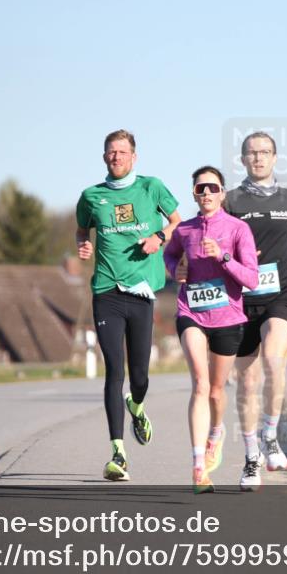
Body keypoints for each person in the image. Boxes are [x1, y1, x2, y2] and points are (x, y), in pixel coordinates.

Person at [77, 129, 182, 482]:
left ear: (134, 157)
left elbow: (178, 222)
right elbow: (82, 229)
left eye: (122, 152)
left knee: (140, 376)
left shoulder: (152, 188)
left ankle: (137, 405)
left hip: (141, 293)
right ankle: (118, 454)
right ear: (104, 156)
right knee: (115, 370)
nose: (116, 157)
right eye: (110, 152)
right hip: (106, 292)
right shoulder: (92, 196)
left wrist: (158, 238)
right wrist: (84, 245)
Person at [164, 166, 259, 493]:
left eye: (212, 188)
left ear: (223, 193)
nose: (206, 193)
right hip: (190, 310)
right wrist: (175, 270)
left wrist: (223, 258)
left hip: (228, 317)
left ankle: (216, 432)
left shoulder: (238, 229)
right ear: (194, 193)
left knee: (217, 391)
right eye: (200, 188)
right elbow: (170, 255)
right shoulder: (184, 230)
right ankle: (198, 467)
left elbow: (252, 278)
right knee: (200, 385)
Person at [224, 131, 287, 491]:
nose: (258, 158)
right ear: (242, 160)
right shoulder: (230, 201)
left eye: (265, 152)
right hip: (240, 298)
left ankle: (271, 434)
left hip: (279, 294)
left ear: (275, 158)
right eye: (251, 153)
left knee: (275, 360)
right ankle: (250, 458)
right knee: (247, 382)